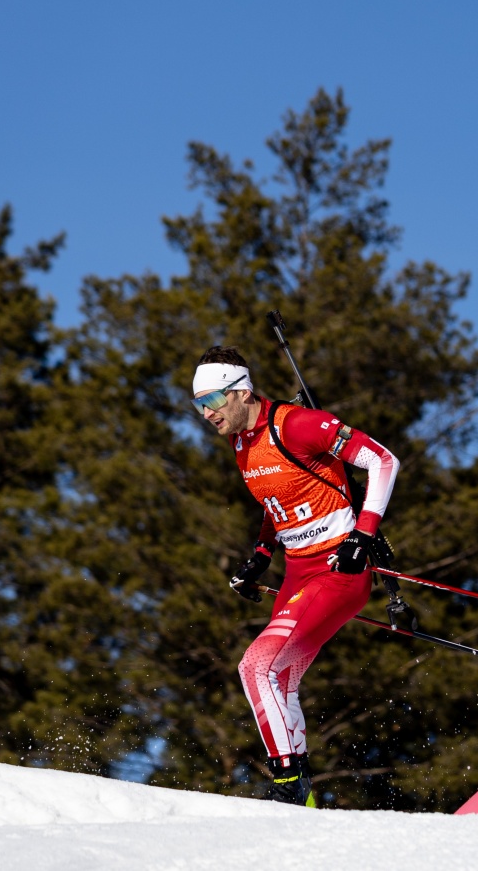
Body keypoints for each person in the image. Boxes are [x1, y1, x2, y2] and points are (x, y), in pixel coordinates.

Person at [191, 345, 401, 807]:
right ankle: (302, 796)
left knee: (256, 667)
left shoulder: (296, 425)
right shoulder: (241, 443)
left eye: (213, 400)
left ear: (242, 392)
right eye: (198, 404)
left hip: (339, 568)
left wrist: (362, 535)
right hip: (297, 572)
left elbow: (383, 461)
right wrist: (261, 553)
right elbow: (279, 500)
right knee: (278, 677)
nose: (206, 413)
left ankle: (289, 785)